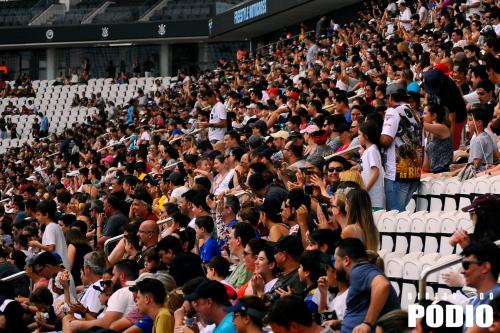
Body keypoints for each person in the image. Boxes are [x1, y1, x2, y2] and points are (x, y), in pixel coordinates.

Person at [334, 238, 399, 333]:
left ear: (346, 260)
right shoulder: (362, 271)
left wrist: (367, 324)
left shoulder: (359, 271)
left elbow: (382, 285)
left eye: (335, 260)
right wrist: (341, 323)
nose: (334, 265)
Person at [380, 83, 423, 212]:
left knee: (395, 217)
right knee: (401, 216)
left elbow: (386, 140)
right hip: (414, 174)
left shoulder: (393, 111)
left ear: (390, 97)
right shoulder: (416, 114)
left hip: (397, 175)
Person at [460, 242, 500, 332]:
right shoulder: (475, 300)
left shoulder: (497, 299)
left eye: (466, 265)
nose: (462, 271)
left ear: (485, 267)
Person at [358, 121, 384, 210]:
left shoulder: (372, 150)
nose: (358, 137)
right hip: (369, 197)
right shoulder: (367, 151)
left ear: (366, 136)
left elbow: (375, 172)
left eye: (359, 134)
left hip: (374, 198)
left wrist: (365, 189)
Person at [422, 104, 453, 173]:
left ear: (434, 116)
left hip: (444, 171)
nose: (422, 116)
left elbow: (419, 123)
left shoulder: (443, 128)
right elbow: (426, 165)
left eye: (424, 113)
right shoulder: (428, 132)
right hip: (434, 172)